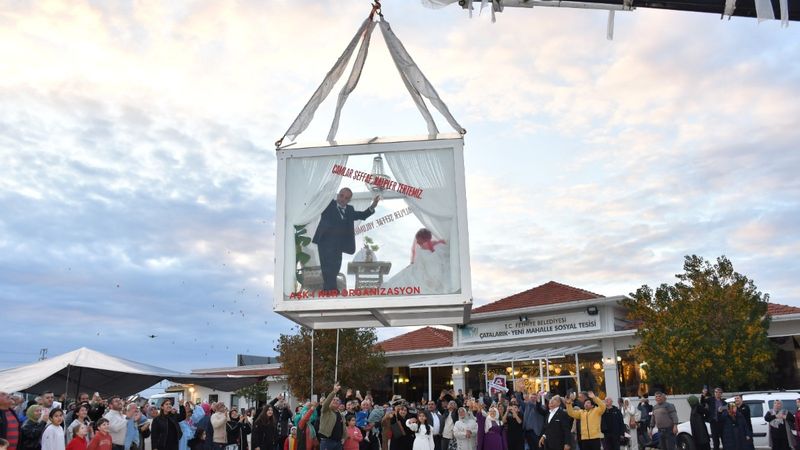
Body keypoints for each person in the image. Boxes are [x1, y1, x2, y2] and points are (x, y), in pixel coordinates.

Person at [312, 187, 380, 292]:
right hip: (325, 243)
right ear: (338, 195)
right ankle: (332, 292)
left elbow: (362, 215)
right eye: (341, 195)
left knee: (335, 269)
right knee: (327, 269)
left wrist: (373, 206)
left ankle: (328, 291)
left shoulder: (350, 210)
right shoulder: (328, 204)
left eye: (346, 198)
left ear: (349, 200)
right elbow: (318, 199)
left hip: (339, 247)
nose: (343, 199)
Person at [383, 228, 450, 295]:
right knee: (401, 278)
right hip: (417, 269)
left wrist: (432, 250)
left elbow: (433, 264)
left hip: (425, 272)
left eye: (420, 242)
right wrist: (413, 265)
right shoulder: (422, 249)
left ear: (425, 240)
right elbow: (419, 261)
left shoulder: (435, 248)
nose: (418, 243)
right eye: (418, 241)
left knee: (405, 282)